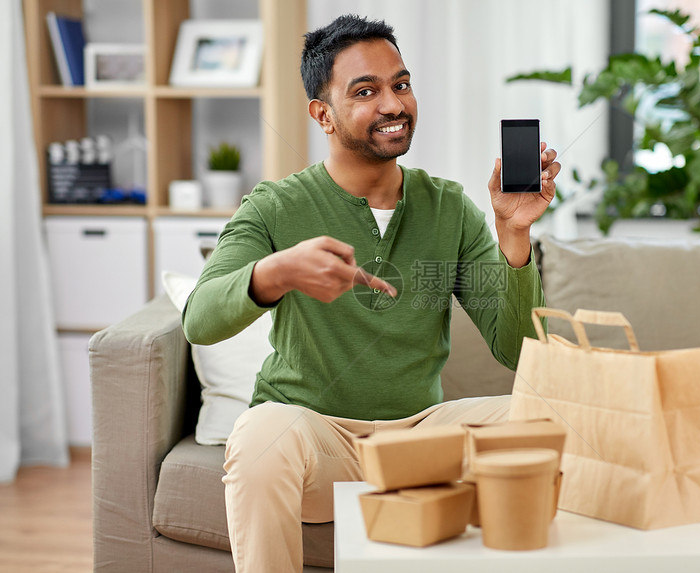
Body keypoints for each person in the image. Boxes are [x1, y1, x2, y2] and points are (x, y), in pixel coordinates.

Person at [182, 14, 561, 573]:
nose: (393, 104)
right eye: (366, 92)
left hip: (420, 440)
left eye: (400, 85)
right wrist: (278, 271)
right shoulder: (273, 207)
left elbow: (520, 350)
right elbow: (200, 320)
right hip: (315, 437)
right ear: (323, 115)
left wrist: (514, 238)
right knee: (262, 436)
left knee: (553, 416)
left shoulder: (449, 208)